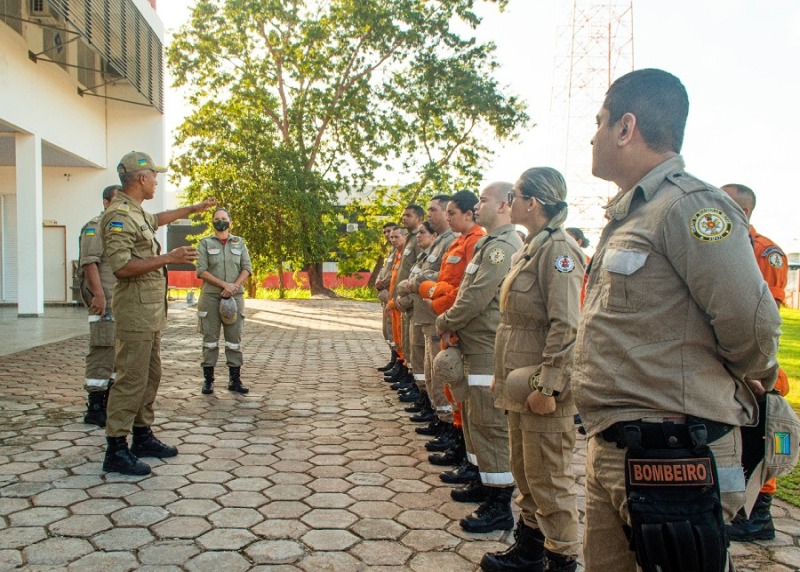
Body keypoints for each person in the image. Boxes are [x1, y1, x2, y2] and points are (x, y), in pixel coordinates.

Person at [573, 69, 782, 571]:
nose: (593, 134)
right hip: (619, 447)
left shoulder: (690, 207)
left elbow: (752, 326)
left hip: (673, 455)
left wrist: (755, 373)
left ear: (626, 128)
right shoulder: (635, 212)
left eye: (599, 122)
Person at [481, 168, 583, 572]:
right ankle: (529, 551)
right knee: (526, 473)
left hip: (541, 387)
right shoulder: (532, 247)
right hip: (521, 383)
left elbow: (567, 325)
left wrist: (550, 387)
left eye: (517, 195)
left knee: (550, 481)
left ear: (533, 203)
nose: (511, 203)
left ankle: (562, 560)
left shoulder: (559, 251)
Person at [101, 151, 218, 476]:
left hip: (149, 311)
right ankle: (115, 448)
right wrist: (169, 257)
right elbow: (122, 267)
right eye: (154, 175)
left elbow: (159, 219)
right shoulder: (119, 216)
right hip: (135, 312)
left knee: (150, 375)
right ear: (141, 178)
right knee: (130, 378)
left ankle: (142, 435)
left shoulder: (137, 212)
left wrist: (192, 209)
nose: (156, 181)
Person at [435, 182, 522, 533]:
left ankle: (500, 504)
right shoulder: (488, 243)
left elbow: (477, 297)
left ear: (503, 206)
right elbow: (469, 291)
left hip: (487, 346)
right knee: (473, 420)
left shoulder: (502, 246)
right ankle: (482, 481)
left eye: (484, 200)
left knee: (489, 424)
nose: (479, 205)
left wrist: (446, 320)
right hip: (473, 345)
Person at [721, 183, 789, 541]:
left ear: (744, 211)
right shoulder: (720, 243)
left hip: (760, 369)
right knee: (740, 443)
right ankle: (743, 509)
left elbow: (768, 318)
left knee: (767, 440)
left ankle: (760, 516)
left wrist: (758, 371)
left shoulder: (767, 252)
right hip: (732, 365)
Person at [416, 190, 485, 464]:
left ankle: (462, 447)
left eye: (450, 213)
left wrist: (429, 289)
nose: (445, 217)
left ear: (467, 214)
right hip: (447, 320)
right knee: (450, 383)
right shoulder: (459, 242)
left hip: (458, 324)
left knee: (462, 391)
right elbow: (449, 283)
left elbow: (462, 292)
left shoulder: (477, 242)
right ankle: (456, 438)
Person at [403, 196, 456, 422]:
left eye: (433, 210)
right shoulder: (439, 242)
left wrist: (420, 280)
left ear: (446, 213)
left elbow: (447, 278)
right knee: (429, 367)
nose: (430, 214)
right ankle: (436, 411)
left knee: (438, 370)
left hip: (436, 314)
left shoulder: (451, 240)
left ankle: (445, 419)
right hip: (425, 313)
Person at [196, 208, 252, 395]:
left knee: (234, 339)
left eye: (224, 218)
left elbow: (247, 268)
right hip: (211, 296)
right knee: (210, 339)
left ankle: (234, 380)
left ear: (230, 222)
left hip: (235, 296)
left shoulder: (240, 243)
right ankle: (208, 381)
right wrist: (224, 285)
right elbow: (201, 270)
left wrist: (233, 286)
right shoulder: (204, 243)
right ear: (212, 222)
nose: (220, 221)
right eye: (217, 219)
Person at [78, 184, 121, 427]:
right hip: (103, 300)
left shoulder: (117, 226)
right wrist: (98, 295)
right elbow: (90, 263)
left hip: (119, 301)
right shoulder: (96, 226)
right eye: (116, 201)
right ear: (105, 202)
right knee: (102, 349)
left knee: (116, 352)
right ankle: (95, 406)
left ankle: (107, 402)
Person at [376, 223, 400, 373]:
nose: (387, 235)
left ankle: (398, 362)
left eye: (390, 232)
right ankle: (394, 359)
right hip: (385, 296)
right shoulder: (391, 251)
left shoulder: (399, 251)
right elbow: (384, 270)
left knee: (394, 332)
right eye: (385, 232)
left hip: (392, 295)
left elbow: (394, 273)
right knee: (387, 331)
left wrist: (382, 283)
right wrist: (378, 280)